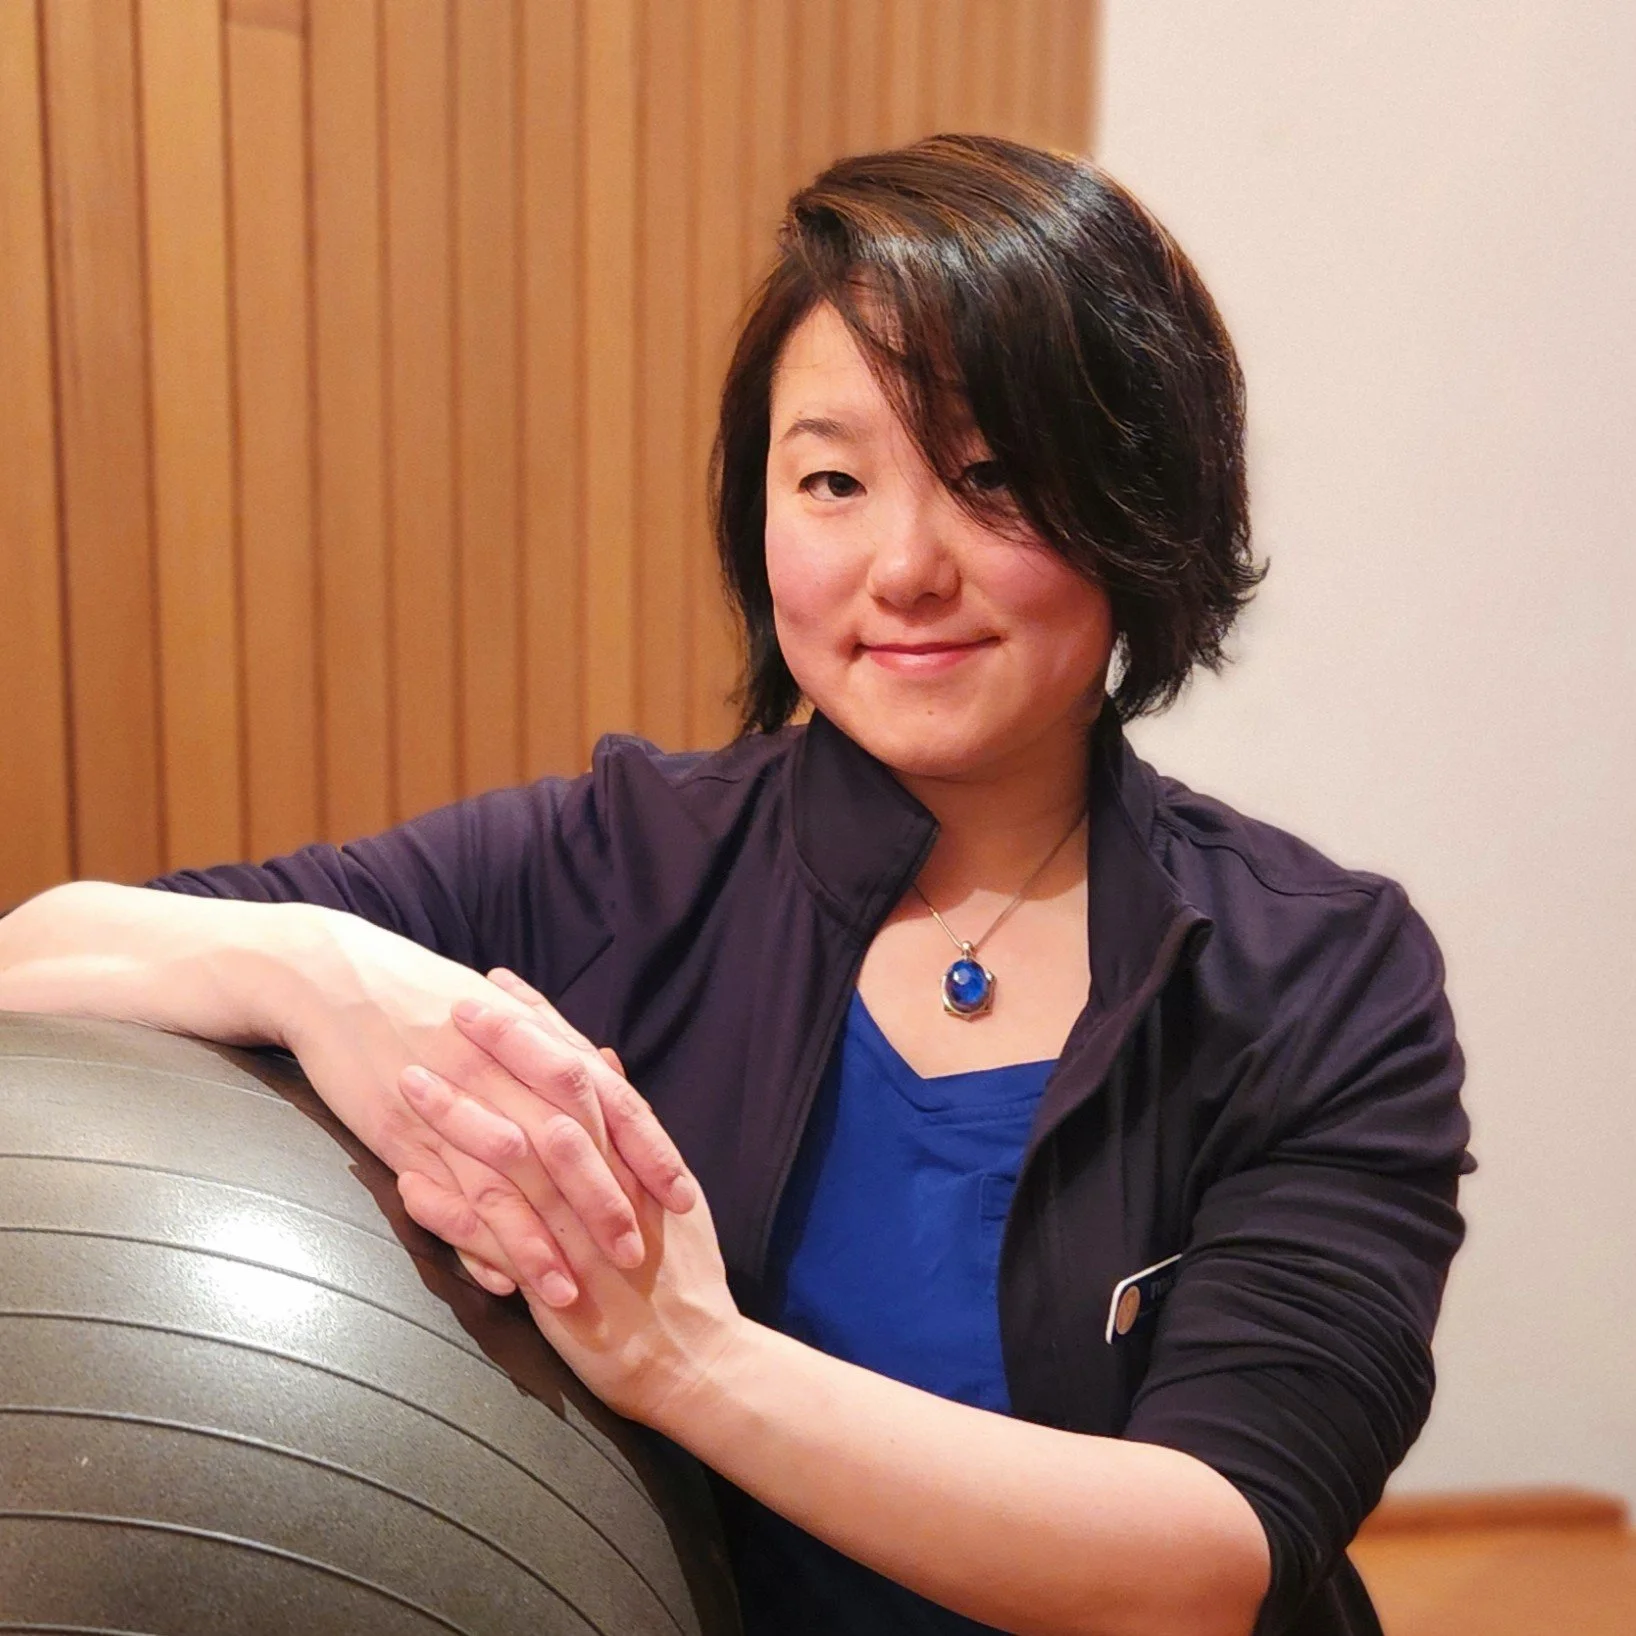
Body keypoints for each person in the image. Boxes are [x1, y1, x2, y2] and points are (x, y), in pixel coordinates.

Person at [0, 135, 1470, 1636]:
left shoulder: (1319, 972)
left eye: (991, 478)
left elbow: (1207, 1560)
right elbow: (37, 956)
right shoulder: (620, 861)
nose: (902, 565)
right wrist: (317, 975)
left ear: (1140, 501)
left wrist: (688, 1360)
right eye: (830, 478)